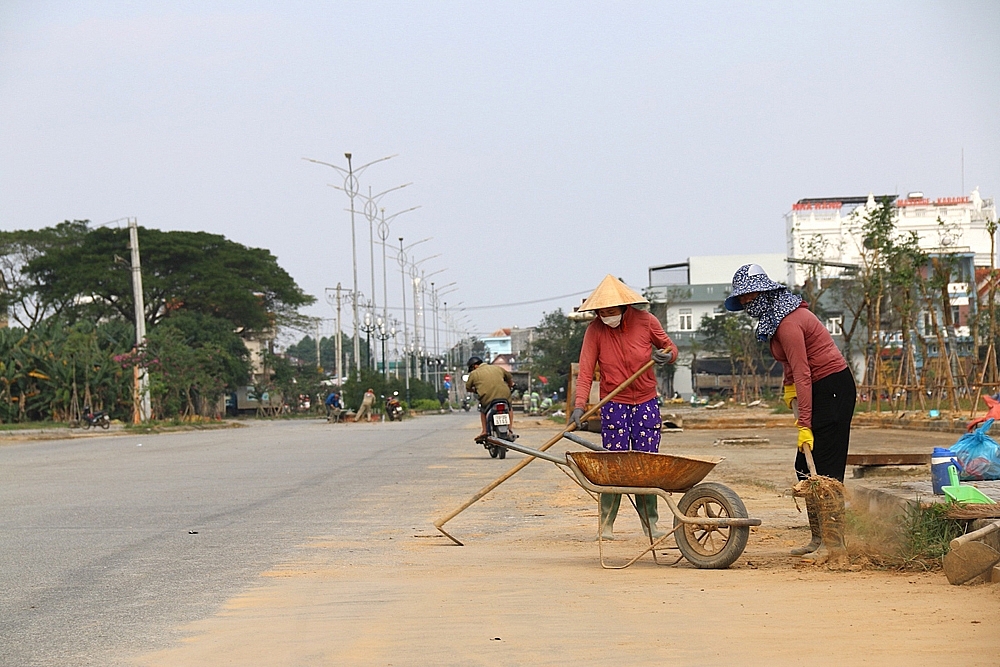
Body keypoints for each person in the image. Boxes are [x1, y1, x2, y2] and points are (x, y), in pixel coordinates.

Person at [724, 263, 855, 561]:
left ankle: (835, 545)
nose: (747, 304)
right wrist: (788, 390)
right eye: (742, 299)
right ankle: (818, 537)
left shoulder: (788, 321)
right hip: (817, 388)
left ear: (766, 291)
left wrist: (805, 423)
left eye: (750, 296)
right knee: (804, 467)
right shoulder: (774, 319)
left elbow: (804, 372)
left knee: (826, 471)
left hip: (832, 388)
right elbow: (790, 369)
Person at [571, 274, 678, 541]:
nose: (606, 315)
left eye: (610, 310)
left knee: (646, 464)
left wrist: (666, 355)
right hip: (614, 403)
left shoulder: (646, 321)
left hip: (645, 401)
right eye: (601, 312)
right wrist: (579, 405)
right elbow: (585, 372)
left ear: (624, 306)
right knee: (614, 465)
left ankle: (651, 525)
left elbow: (670, 348)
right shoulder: (595, 330)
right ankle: (606, 526)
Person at [465, 356, 514, 440]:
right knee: (509, 408)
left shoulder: (474, 374)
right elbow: (509, 378)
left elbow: (468, 388)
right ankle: (509, 429)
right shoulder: (497, 368)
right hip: (504, 396)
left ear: (475, 366)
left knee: (483, 410)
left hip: (487, 398)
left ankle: (484, 431)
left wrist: (475, 391)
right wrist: (510, 385)